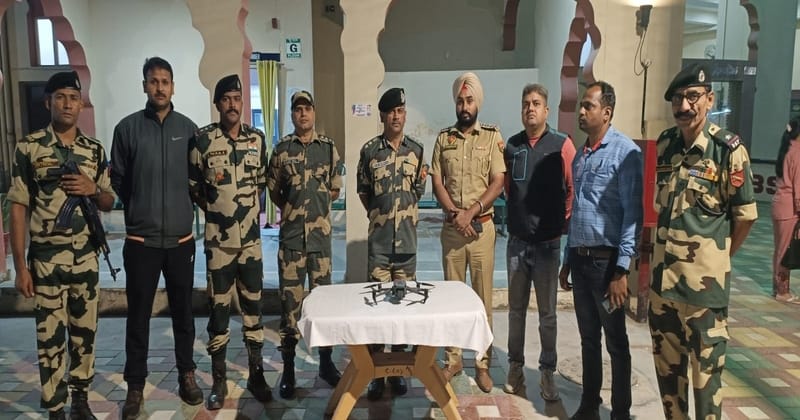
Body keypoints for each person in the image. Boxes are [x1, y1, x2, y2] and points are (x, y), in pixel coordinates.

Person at [649, 63, 757, 420]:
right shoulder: (666, 144)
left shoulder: (727, 151)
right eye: (678, 99)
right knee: (669, 384)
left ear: (709, 99)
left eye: (693, 97)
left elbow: (745, 217)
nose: (684, 106)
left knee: (706, 388)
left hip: (703, 297)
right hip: (663, 290)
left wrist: (718, 258)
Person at [9, 71, 115, 420]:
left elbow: (109, 200)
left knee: (85, 334)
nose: (67, 104)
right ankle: (55, 406)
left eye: (73, 97)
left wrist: (92, 188)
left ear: (81, 104)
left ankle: (80, 400)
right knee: (50, 339)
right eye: (60, 97)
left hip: (85, 259)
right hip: (46, 262)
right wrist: (20, 267)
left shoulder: (94, 150)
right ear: (48, 102)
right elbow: (18, 208)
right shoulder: (29, 148)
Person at [111, 57, 202, 419]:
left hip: (180, 241)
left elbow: (197, 180)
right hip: (141, 243)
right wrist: (139, 207)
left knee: (184, 314)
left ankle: (187, 374)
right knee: (138, 317)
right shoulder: (127, 129)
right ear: (145, 86)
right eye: (153, 81)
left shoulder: (189, 130)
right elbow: (118, 180)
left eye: (165, 81)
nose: (160, 87)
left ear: (173, 86)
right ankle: (135, 386)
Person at [558, 81, 642, 420]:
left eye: (588, 106)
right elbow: (578, 212)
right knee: (588, 339)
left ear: (606, 112)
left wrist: (621, 271)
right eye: (581, 105)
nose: (581, 111)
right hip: (581, 263)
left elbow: (633, 214)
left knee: (616, 343)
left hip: (606, 268)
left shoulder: (626, 153)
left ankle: (620, 412)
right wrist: (567, 259)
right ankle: (589, 405)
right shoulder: (581, 156)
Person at [188, 74, 272, 409]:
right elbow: (195, 187)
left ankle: (256, 374)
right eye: (226, 99)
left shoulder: (257, 140)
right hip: (219, 246)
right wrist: (220, 213)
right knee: (219, 313)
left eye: (237, 98)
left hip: (250, 244)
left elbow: (261, 183)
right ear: (218, 104)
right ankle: (219, 380)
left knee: (254, 311)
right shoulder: (202, 141)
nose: (232, 105)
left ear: (242, 102)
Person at [430, 72, 505, 393]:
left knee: (482, 300)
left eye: (469, 100)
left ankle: (482, 363)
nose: (464, 106)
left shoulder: (491, 137)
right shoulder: (443, 139)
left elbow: (498, 182)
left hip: (481, 230)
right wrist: (454, 214)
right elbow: (437, 181)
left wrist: (470, 212)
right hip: (453, 230)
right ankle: (453, 359)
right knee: (451, 300)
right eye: (460, 101)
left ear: (478, 103)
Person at [267, 90, 343, 399]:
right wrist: (294, 211)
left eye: (307, 108)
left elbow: (334, 189)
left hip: (320, 243)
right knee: (290, 310)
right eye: (297, 109)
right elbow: (274, 191)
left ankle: (325, 363)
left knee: (324, 308)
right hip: (291, 245)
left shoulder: (328, 149)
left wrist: (315, 212)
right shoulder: (282, 150)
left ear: (314, 112)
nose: (303, 114)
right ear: (292, 115)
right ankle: (288, 370)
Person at [503, 83, 575, 400]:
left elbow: (572, 189)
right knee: (515, 311)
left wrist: (558, 223)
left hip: (547, 245)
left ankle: (547, 372)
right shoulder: (512, 146)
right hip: (517, 244)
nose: (530, 108)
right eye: (525, 103)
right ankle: (515, 367)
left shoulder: (562, 145)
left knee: (547, 314)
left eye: (535, 103)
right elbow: (509, 190)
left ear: (546, 110)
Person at [357, 87, 428, 400]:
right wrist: (380, 217)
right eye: (390, 112)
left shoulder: (417, 150)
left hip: (407, 247)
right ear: (383, 116)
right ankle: (375, 374)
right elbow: (363, 191)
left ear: (404, 114)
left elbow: (418, 191)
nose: (396, 117)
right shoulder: (370, 151)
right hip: (380, 248)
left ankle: (398, 370)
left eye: (400, 111)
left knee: (402, 311)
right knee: (376, 311)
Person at [772, 118, 800, 303]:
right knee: (784, 251)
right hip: (789, 209)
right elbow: (799, 186)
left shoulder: (787, 148)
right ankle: (782, 292)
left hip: (780, 205)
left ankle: (779, 288)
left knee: (780, 250)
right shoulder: (797, 152)